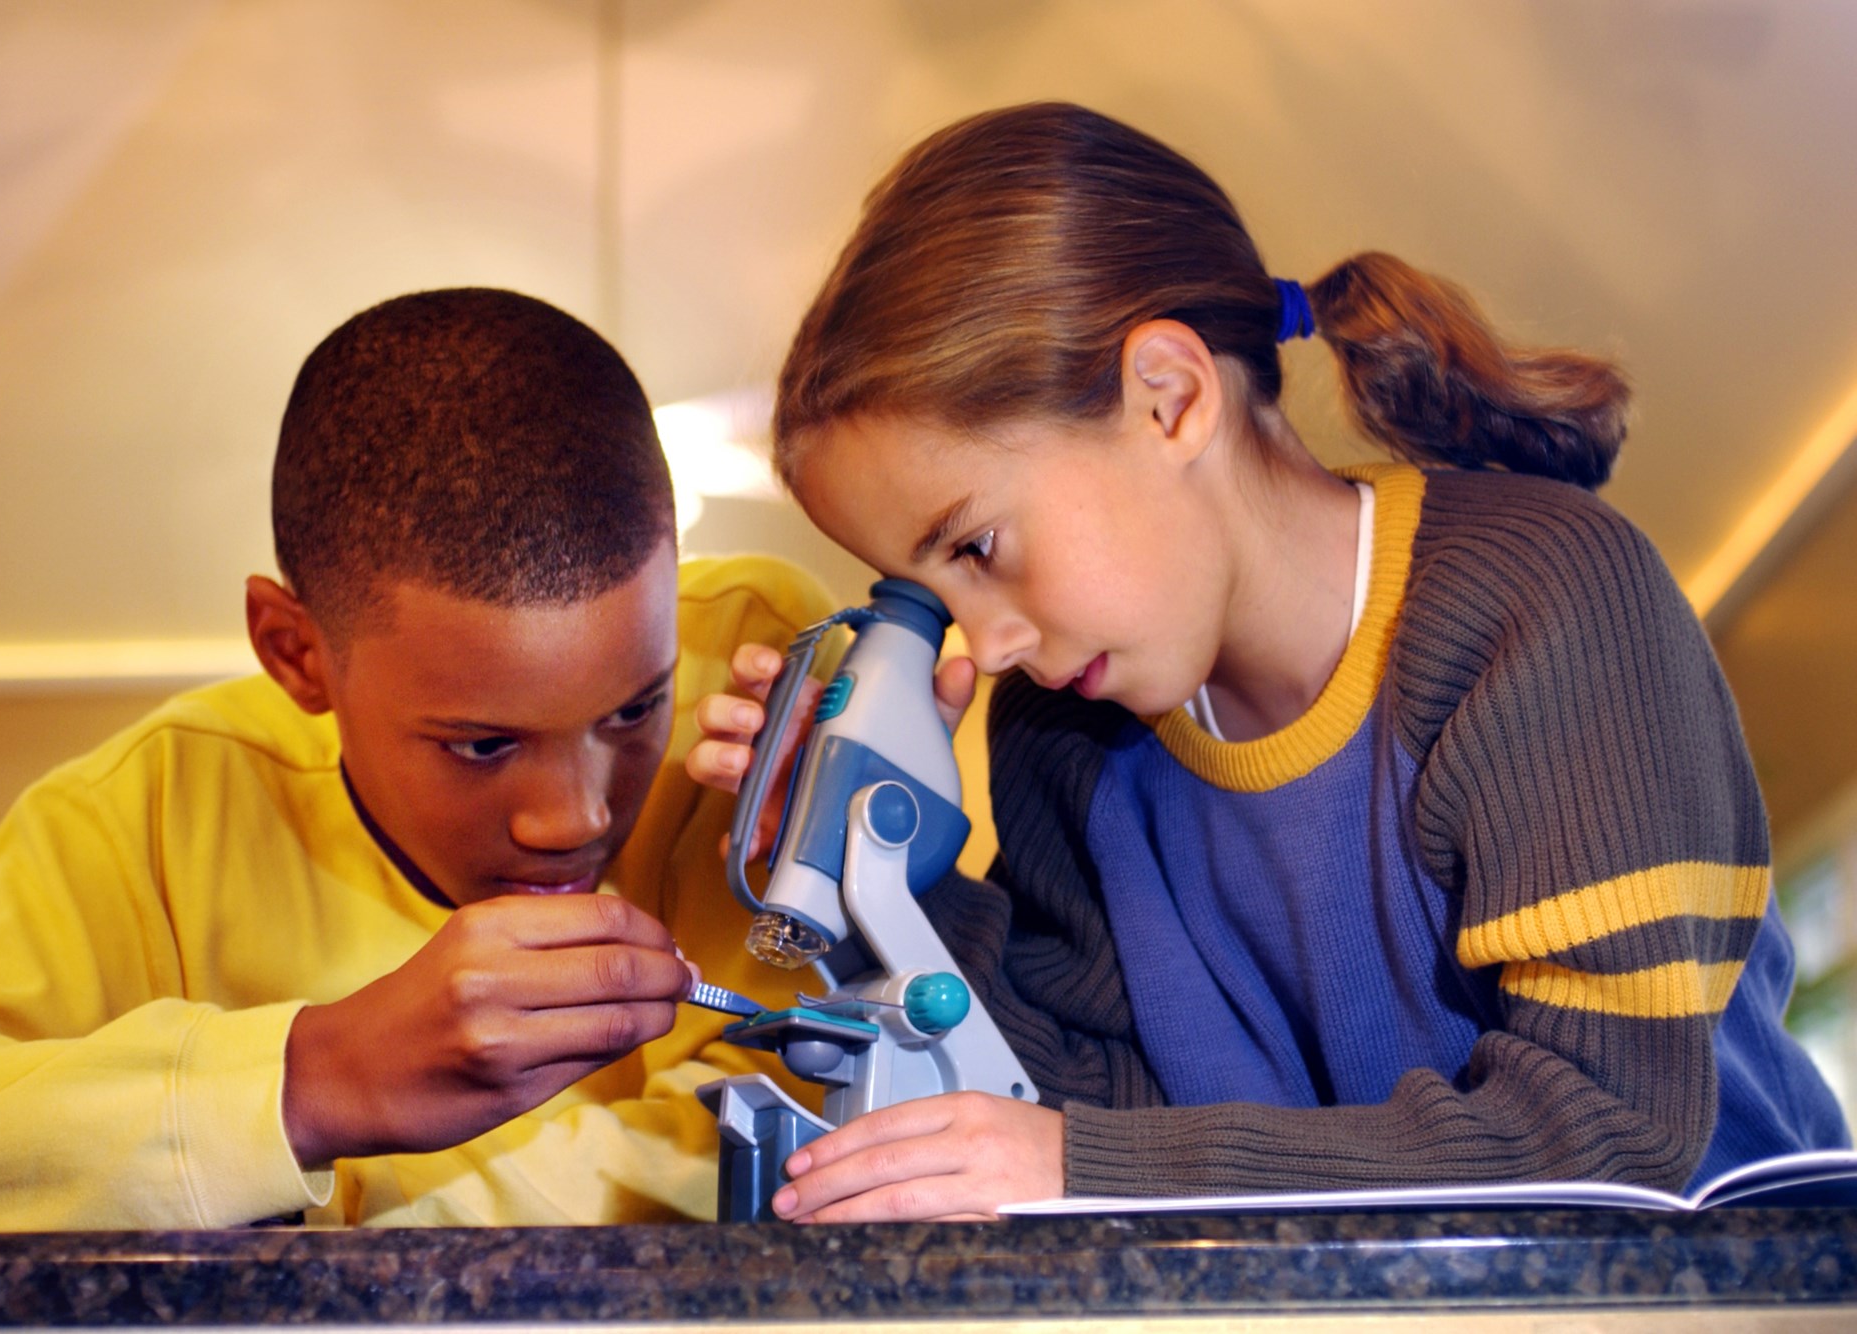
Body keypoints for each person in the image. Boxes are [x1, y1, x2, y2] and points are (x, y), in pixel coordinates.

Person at [689, 102, 1850, 1223]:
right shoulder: (1064, 732)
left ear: (1168, 398)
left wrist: (1083, 1165)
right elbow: (1101, 1103)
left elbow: (1601, 1135)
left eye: (979, 547)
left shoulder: (1542, 602)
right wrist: (881, 878)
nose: (986, 647)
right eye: (939, 601)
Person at [0, 288, 837, 1230]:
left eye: (633, 709)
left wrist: (332, 1196)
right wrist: (311, 1080)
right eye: (482, 744)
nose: (574, 817)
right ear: (295, 652)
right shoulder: (152, 812)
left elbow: (820, 1106)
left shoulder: (754, 673)